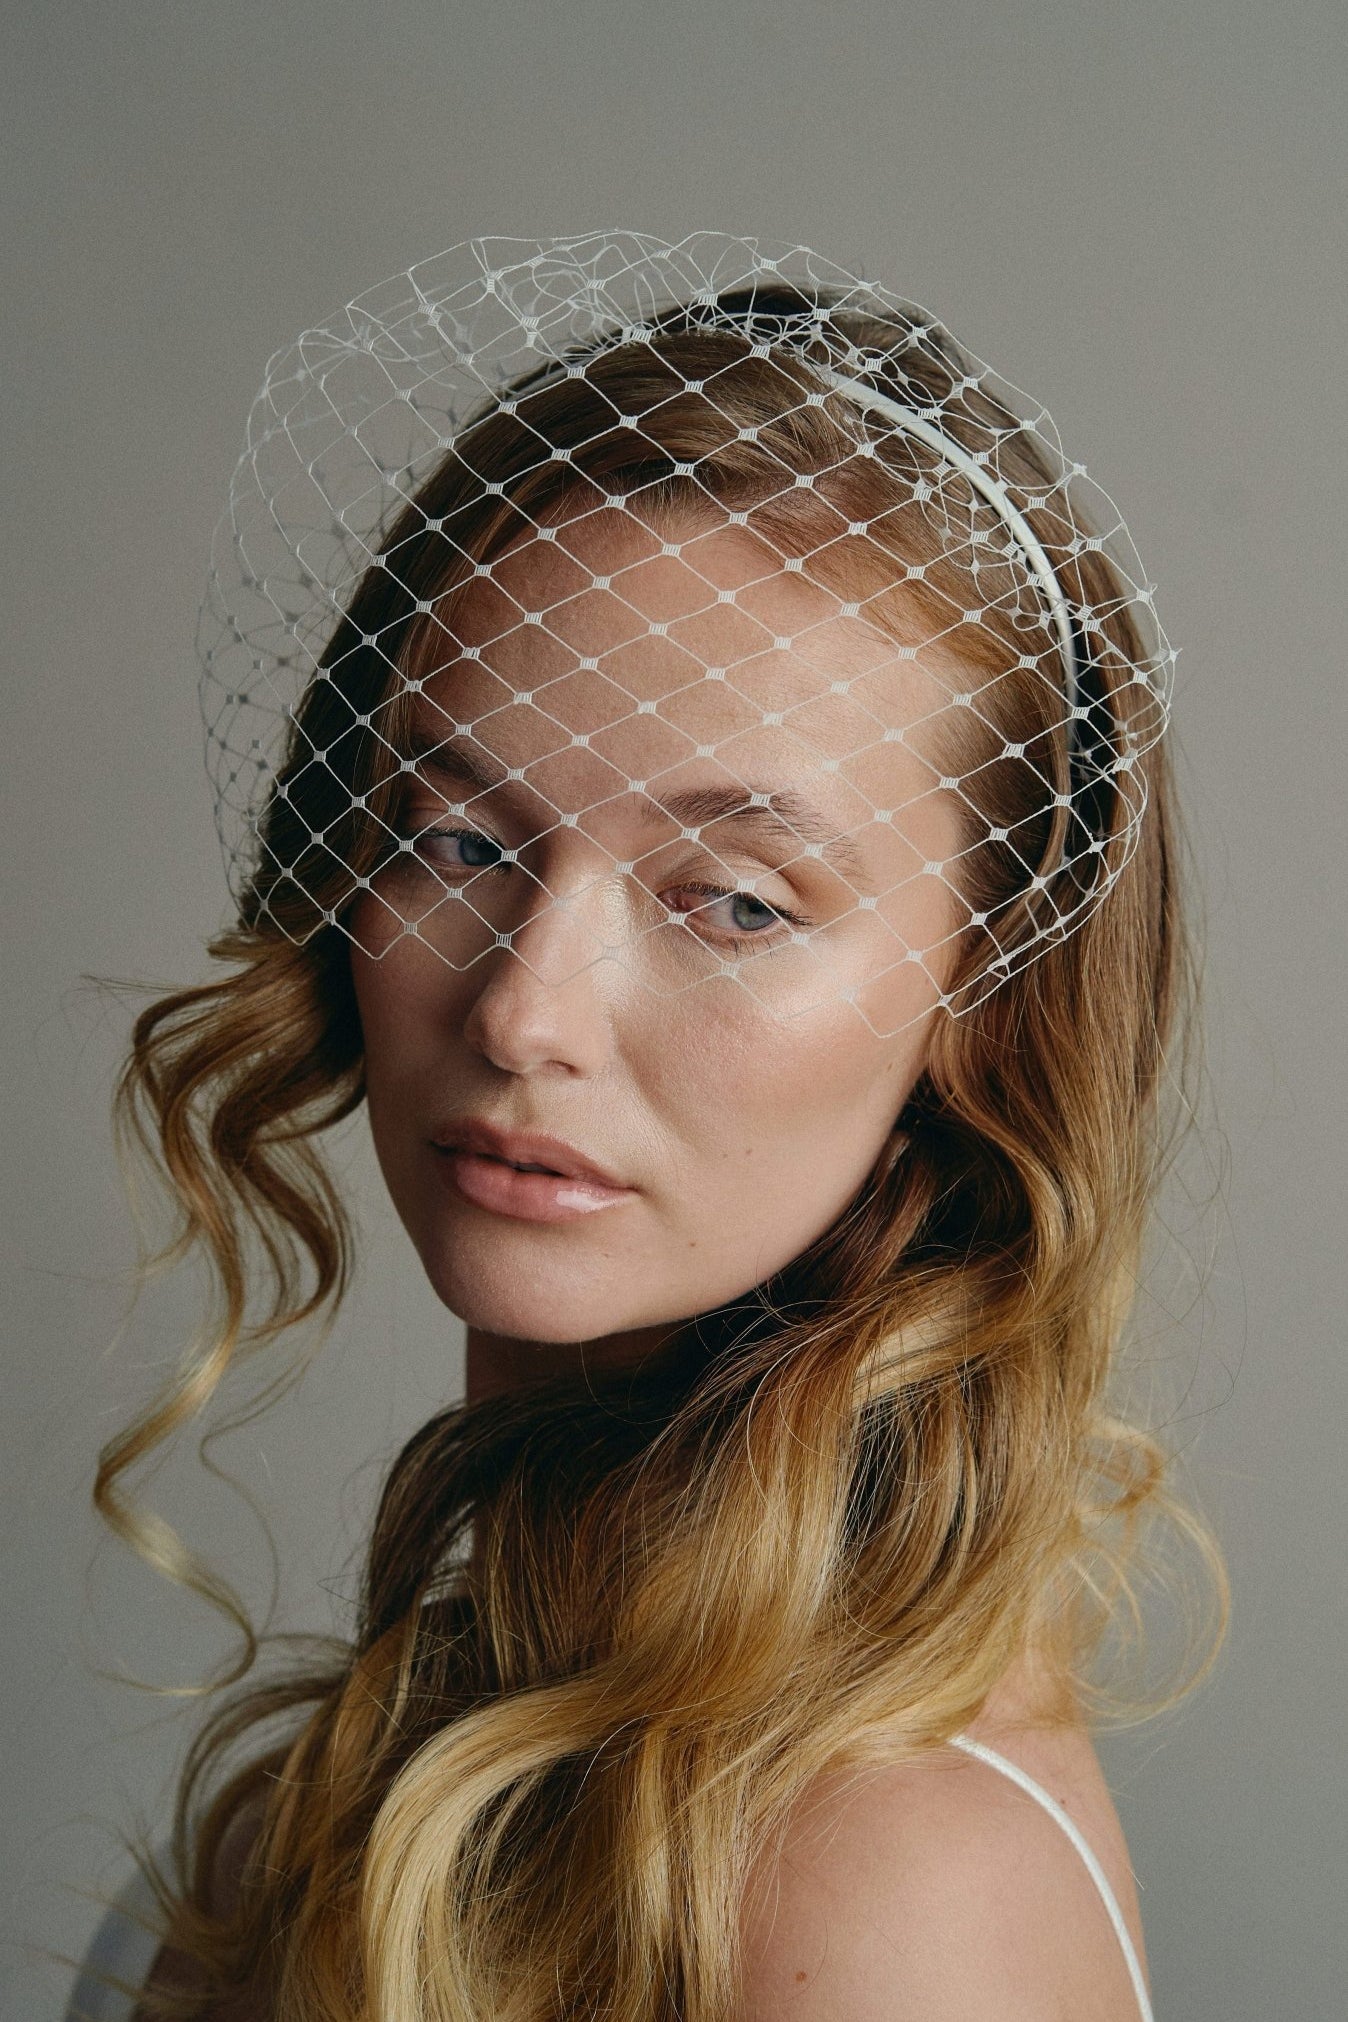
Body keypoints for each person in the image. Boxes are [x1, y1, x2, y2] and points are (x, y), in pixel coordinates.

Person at [82, 235, 1218, 2021]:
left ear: (979, 1002)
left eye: (737, 900)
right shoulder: (409, 1743)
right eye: (458, 838)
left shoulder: (888, 1889)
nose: (524, 1009)